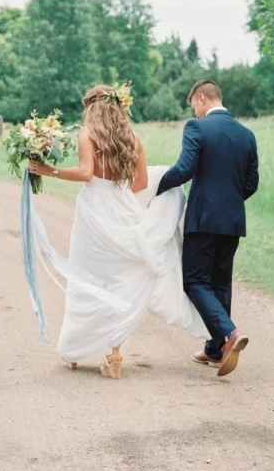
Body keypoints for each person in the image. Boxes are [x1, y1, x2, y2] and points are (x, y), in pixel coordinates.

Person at [29, 83, 207, 379]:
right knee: (122, 281)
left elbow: (86, 173)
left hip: (94, 215)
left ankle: (75, 349)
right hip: (124, 209)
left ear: (92, 108)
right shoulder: (133, 138)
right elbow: (139, 185)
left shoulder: (88, 135)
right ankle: (114, 353)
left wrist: (48, 171)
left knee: (87, 281)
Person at [157, 79, 259, 377]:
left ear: (202, 99)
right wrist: (228, 202)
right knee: (220, 283)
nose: (195, 113)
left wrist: (153, 189)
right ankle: (215, 350)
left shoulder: (197, 127)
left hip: (203, 220)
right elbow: (251, 184)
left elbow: (184, 169)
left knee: (195, 282)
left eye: (194, 107)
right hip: (232, 220)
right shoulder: (247, 134)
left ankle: (229, 333)